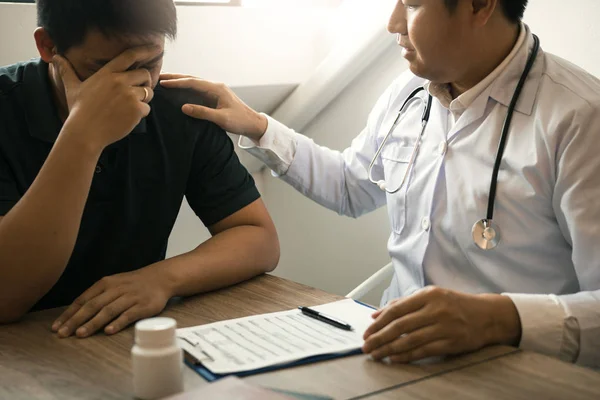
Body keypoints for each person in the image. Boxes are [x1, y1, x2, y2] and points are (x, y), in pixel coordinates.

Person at [160, 0, 600, 368]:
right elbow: (351, 188)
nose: (393, 23)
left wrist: (501, 318)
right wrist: (257, 126)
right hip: (391, 354)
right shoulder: (408, 94)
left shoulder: (580, 120)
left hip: (515, 370)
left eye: (412, 4)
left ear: (480, 5)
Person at [0, 0, 280, 338]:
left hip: (126, 336)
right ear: (48, 45)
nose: (136, 86)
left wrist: (162, 279)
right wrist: (83, 135)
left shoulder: (180, 109)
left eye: (151, 62)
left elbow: (259, 238)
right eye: (104, 68)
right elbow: (5, 297)